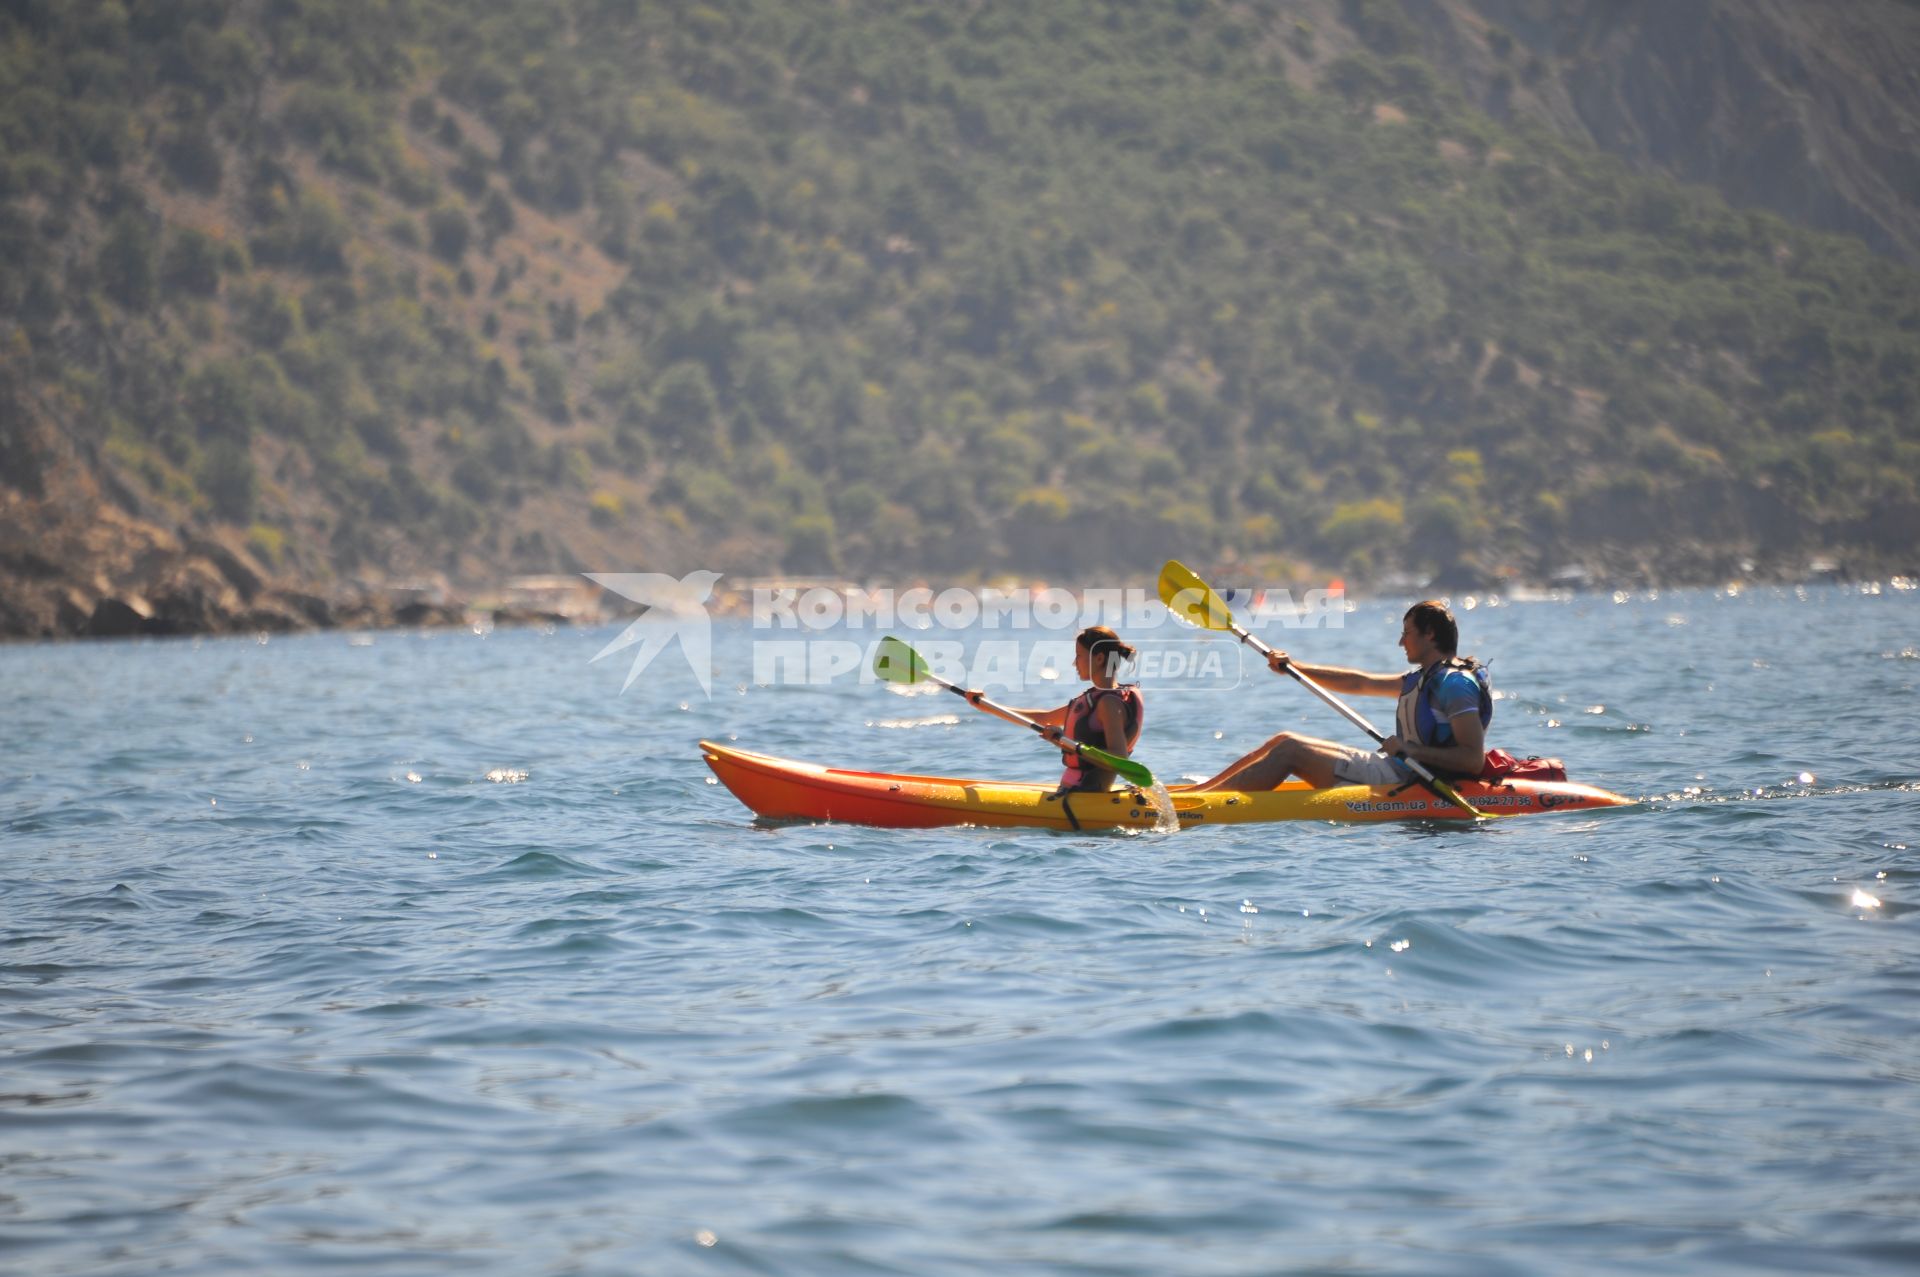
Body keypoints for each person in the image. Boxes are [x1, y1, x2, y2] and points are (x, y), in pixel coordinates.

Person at [1193, 600, 1491, 792]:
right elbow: (1359, 682)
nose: (1401, 641)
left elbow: (1472, 760)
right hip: (1396, 767)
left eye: (1407, 633)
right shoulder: (1424, 678)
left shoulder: (1456, 685)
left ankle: (1200, 808)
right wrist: (1293, 667)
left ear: (1430, 635)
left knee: (1292, 751)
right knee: (1284, 740)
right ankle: (1197, 793)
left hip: (1412, 781)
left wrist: (1410, 750)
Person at [970, 625, 1144, 791]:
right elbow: (1044, 718)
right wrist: (987, 705)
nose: (1074, 663)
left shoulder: (1109, 703)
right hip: (1075, 793)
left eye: (1078, 655)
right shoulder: (1098, 698)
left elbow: (1118, 756)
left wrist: (1062, 741)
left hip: (1085, 795)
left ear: (1099, 658)